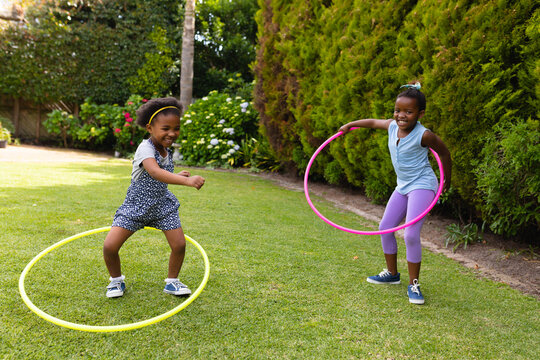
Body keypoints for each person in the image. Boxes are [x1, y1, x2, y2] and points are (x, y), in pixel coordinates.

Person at [338, 82, 451, 304]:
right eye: (398, 110)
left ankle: (414, 284)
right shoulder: (391, 127)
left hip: (423, 184)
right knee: (384, 228)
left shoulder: (424, 135)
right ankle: (392, 275)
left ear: (420, 114)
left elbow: (445, 153)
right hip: (403, 185)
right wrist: (349, 125)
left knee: (409, 234)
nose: (401, 115)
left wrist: (446, 180)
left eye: (408, 112)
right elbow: (371, 122)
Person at [103, 97, 205, 298]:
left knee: (179, 245)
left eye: (176, 129)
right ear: (150, 128)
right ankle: (116, 281)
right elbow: (155, 172)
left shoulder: (165, 149)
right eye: (165, 128)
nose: (172, 133)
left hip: (161, 206)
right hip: (136, 206)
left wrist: (178, 176)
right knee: (110, 246)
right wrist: (186, 181)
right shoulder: (145, 148)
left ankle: (172, 282)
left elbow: (164, 173)